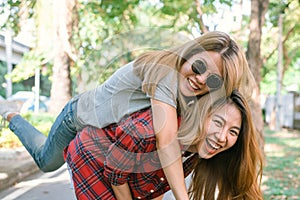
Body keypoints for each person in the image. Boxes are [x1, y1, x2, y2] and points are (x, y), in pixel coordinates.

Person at [0, 31, 255, 200]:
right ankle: (11, 114)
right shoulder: (164, 72)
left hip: (106, 137)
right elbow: (165, 142)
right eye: (199, 67)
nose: (200, 79)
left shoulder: (193, 95)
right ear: (186, 55)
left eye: (212, 79)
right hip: (78, 118)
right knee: (47, 161)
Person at [64, 90, 264, 200]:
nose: (222, 137)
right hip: (92, 156)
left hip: (122, 172)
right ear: (201, 115)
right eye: (218, 122)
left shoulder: (196, 152)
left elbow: (154, 185)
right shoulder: (151, 130)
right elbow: (115, 173)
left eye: (233, 132)